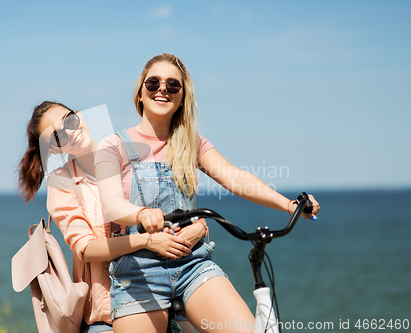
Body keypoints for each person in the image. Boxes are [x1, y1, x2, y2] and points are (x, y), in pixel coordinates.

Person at [95, 53, 320, 333]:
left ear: (182, 97)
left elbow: (236, 178)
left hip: (192, 264)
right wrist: (141, 214)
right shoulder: (113, 145)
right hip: (139, 273)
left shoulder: (191, 143)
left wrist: (290, 205)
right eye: (153, 83)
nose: (162, 89)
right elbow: (111, 204)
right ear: (140, 93)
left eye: (173, 85)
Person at [17, 101, 205, 333]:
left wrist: (200, 228)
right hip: (107, 311)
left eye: (69, 121)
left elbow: (178, 209)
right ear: (54, 149)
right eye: (57, 137)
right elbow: (85, 248)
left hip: (165, 290)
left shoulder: (130, 153)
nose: (70, 133)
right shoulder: (62, 180)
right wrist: (145, 241)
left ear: (79, 116)